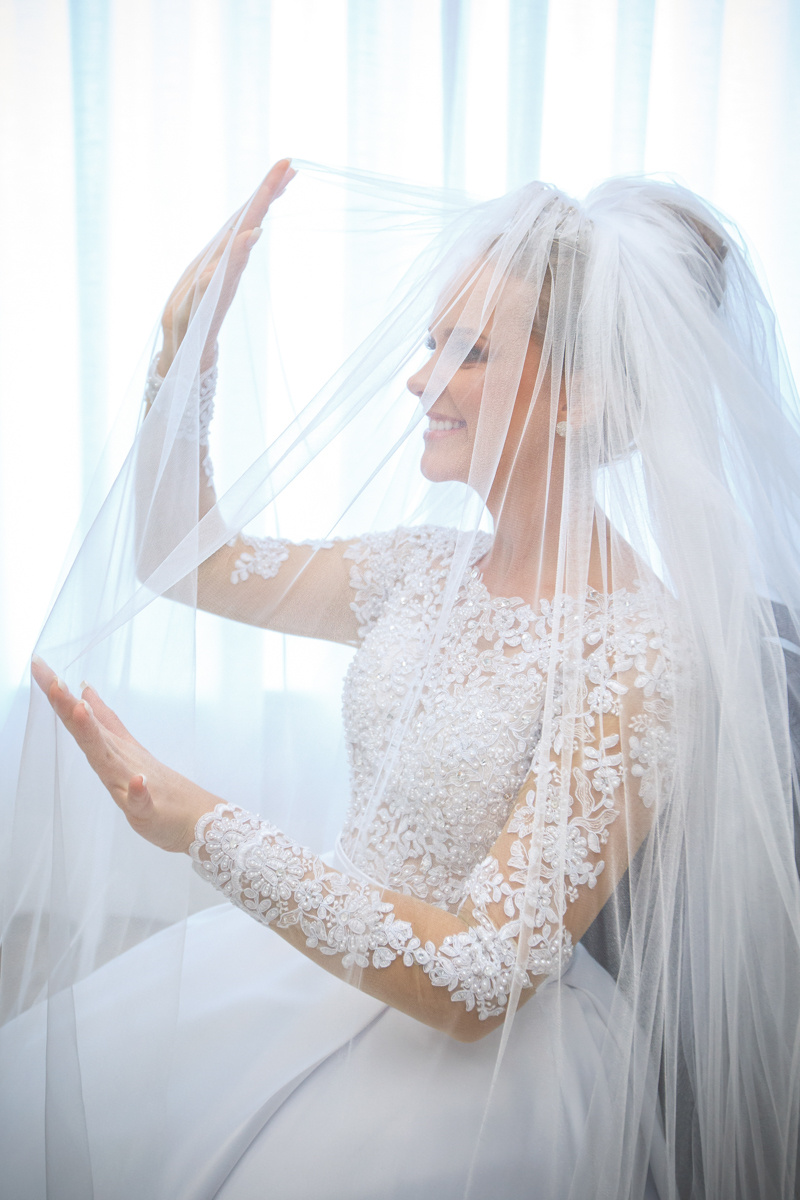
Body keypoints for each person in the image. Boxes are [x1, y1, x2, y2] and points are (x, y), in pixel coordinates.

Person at [2, 159, 800, 1200]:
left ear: (580, 397)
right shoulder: (419, 570)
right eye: (431, 345)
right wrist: (182, 349)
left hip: (474, 1077)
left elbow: (478, 981)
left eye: (468, 351)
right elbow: (180, 556)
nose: (420, 381)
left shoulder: (638, 652)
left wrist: (198, 825)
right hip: (306, 979)